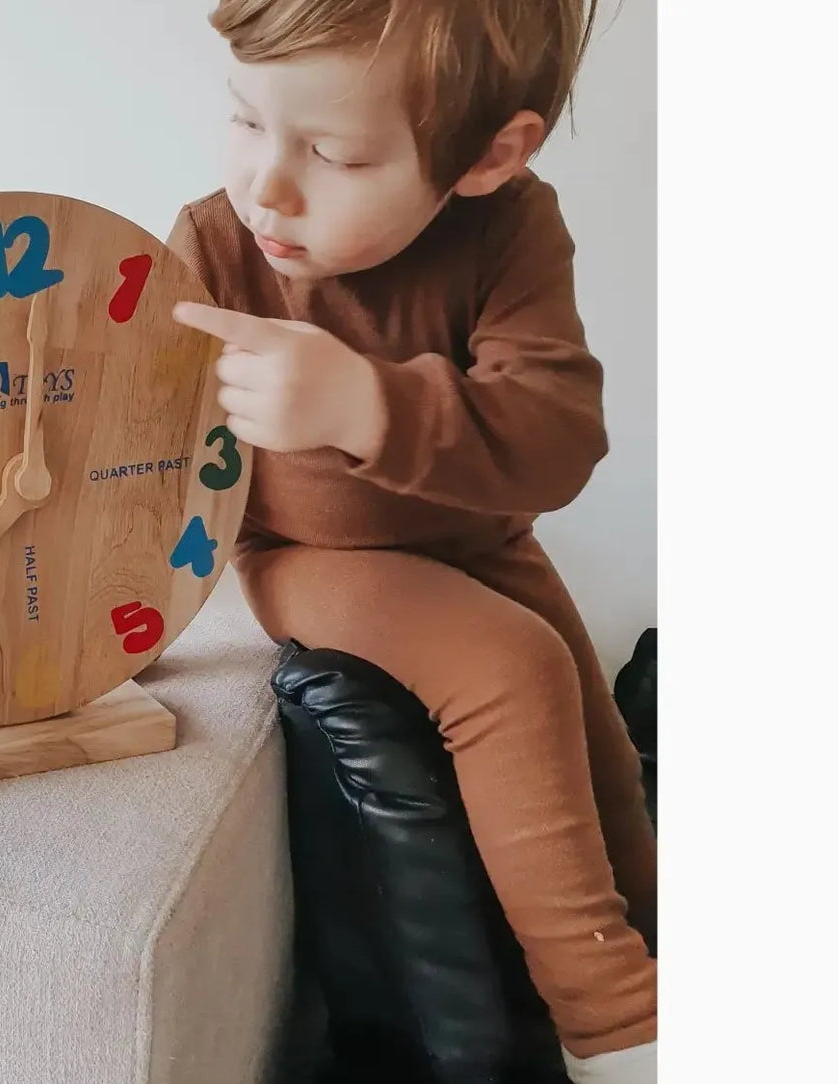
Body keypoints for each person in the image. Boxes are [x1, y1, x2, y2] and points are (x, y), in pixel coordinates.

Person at [166, 2, 656, 1081]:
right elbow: (143, 452)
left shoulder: (512, 227)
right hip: (305, 555)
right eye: (244, 122)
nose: (265, 186)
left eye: (330, 153)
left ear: (486, 158)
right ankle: (612, 1025)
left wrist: (366, 405)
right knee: (508, 665)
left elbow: (558, 438)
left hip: (483, 540)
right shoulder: (209, 244)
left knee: (609, 764)